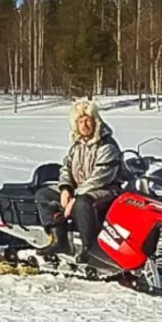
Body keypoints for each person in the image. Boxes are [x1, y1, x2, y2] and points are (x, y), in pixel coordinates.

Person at [36, 98, 122, 262]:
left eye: (87, 120)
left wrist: (74, 198)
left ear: (95, 121)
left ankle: (89, 248)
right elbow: (66, 168)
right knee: (44, 195)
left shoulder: (107, 146)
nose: (84, 125)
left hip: (106, 189)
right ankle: (60, 240)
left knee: (83, 203)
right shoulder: (77, 145)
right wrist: (65, 188)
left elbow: (100, 177)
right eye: (80, 121)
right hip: (78, 189)